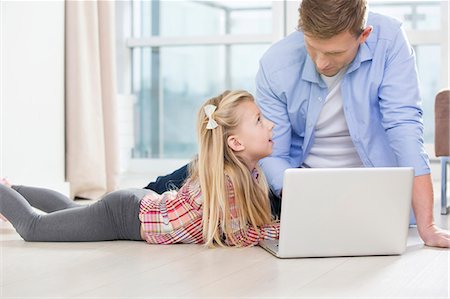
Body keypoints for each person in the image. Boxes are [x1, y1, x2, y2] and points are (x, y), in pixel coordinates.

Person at [143, 0, 449, 248]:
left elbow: (405, 128)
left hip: (371, 185)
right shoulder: (277, 63)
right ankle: (137, 199)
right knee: (218, 165)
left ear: (364, 34)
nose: (321, 63)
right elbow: (273, 153)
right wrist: (304, 200)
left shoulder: (390, 40)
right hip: (294, 184)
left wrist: (428, 225)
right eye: (312, 47)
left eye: (334, 52)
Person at [0, 90, 279, 247]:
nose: (270, 125)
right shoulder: (226, 180)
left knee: (72, 211)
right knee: (33, 228)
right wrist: (279, 232)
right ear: (235, 142)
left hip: (135, 205)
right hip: (122, 217)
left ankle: (11, 190)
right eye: (259, 120)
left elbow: (243, 228)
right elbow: (237, 235)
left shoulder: (250, 174)